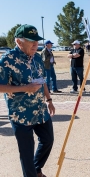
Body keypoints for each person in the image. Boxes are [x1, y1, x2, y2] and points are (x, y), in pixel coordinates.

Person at [0, 24, 55, 177]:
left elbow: (42, 80)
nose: (35, 44)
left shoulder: (37, 57)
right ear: (19, 42)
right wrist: (24, 88)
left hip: (40, 110)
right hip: (21, 114)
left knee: (48, 140)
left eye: (37, 41)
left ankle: (36, 169)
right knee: (27, 153)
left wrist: (49, 99)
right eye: (31, 41)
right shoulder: (7, 59)